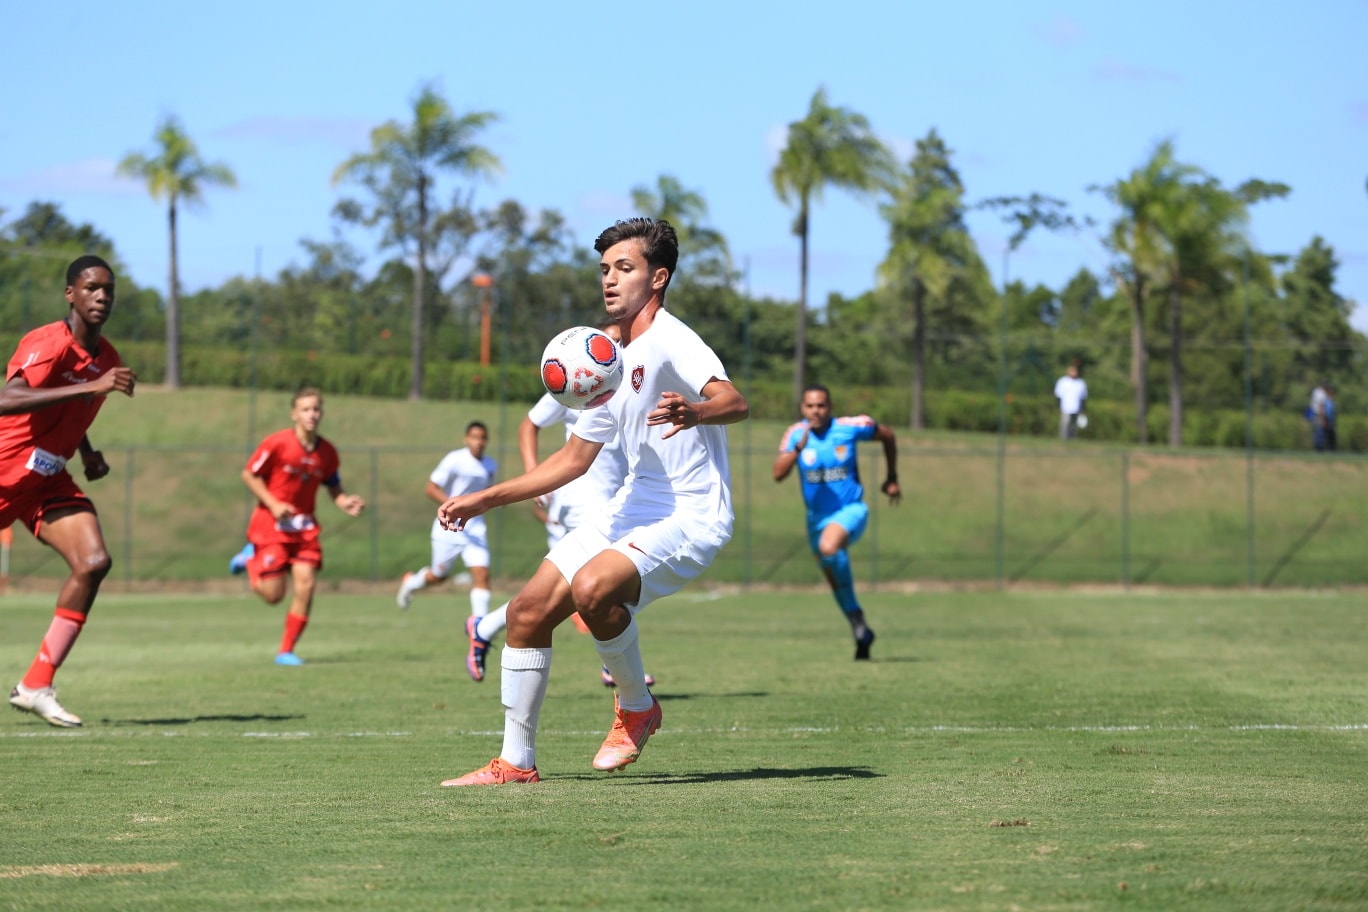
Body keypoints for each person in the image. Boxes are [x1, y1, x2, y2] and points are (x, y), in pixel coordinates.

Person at [437, 217, 748, 786]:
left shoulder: (674, 340)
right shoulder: (605, 358)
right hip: (632, 507)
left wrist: (696, 410)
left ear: (658, 279)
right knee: (528, 613)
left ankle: (636, 707)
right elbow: (572, 461)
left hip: (691, 512)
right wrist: (484, 498)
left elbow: (734, 400)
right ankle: (515, 764)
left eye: (623, 268)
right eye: (604, 269)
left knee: (592, 590)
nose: (609, 279)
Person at [463, 320, 655, 689]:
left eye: (620, 340)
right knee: (611, 579)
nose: (615, 347)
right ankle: (613, 667)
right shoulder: (579, 381)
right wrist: (534, 475)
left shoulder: (629, 384)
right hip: (581, 497)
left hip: (614, 498)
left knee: (562, 592)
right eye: (608, 341)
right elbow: (528, 425)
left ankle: (483, 626)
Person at [1, 255, 136, 727]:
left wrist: (87, 452)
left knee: (93, 562)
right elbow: (7, 399)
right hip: (3, 471)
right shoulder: (48, 342)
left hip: (47, 479)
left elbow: (71, 412)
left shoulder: (107, 360)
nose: (101, 296)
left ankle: (37, 684)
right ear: (70, 294)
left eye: (108, 290)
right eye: (91, 287)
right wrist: (90, 388)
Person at [235, 386, 364, 665]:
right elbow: (249, 474)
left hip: (304, 528)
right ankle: (249, 559)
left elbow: (333, 485)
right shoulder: (277, 444)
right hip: (272, 526)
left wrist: (343, 501)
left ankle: (286, 651)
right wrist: (273, 504)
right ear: (294, 413)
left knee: (306, 586)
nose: (312, 414)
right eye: (305, 409)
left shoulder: (327, 452)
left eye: (316, 409)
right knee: (274, 596)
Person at [773, 385, 900, 661]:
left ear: (830, 407)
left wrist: (892, 477)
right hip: (815, 520)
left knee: (829, 548)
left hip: (851, 510)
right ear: (802, 408)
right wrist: (797, 449)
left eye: (821, 406)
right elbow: (778, 473)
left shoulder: (849, 428)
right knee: (834, 578)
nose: (815, 411)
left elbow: (887, 435)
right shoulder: (796, 434)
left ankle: (857, 619)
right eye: (809, 406)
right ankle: (860, 626)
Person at [395, 421, 497, 620]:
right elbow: (431, 488)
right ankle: (411, 582)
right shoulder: (455, 460)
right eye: (474, 437)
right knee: (438, 577)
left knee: (482, 575)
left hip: (475, 530)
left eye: (482, 437)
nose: (478, 442)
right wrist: (454, 505)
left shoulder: (490, 464)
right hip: (448, 528)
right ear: (466, 439)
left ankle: (479, 629)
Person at [1054, 360, 1087, 440]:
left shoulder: (1081, 383)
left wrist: (1082, 409)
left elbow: (1083, 397)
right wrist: (1059, 406)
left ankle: (1072, 439)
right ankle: (1064, 439)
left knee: (1073, 425)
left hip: (1076, 408)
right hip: (1065, 407)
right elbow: (1058, 395)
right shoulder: (1062, 381)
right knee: (1065, 424)